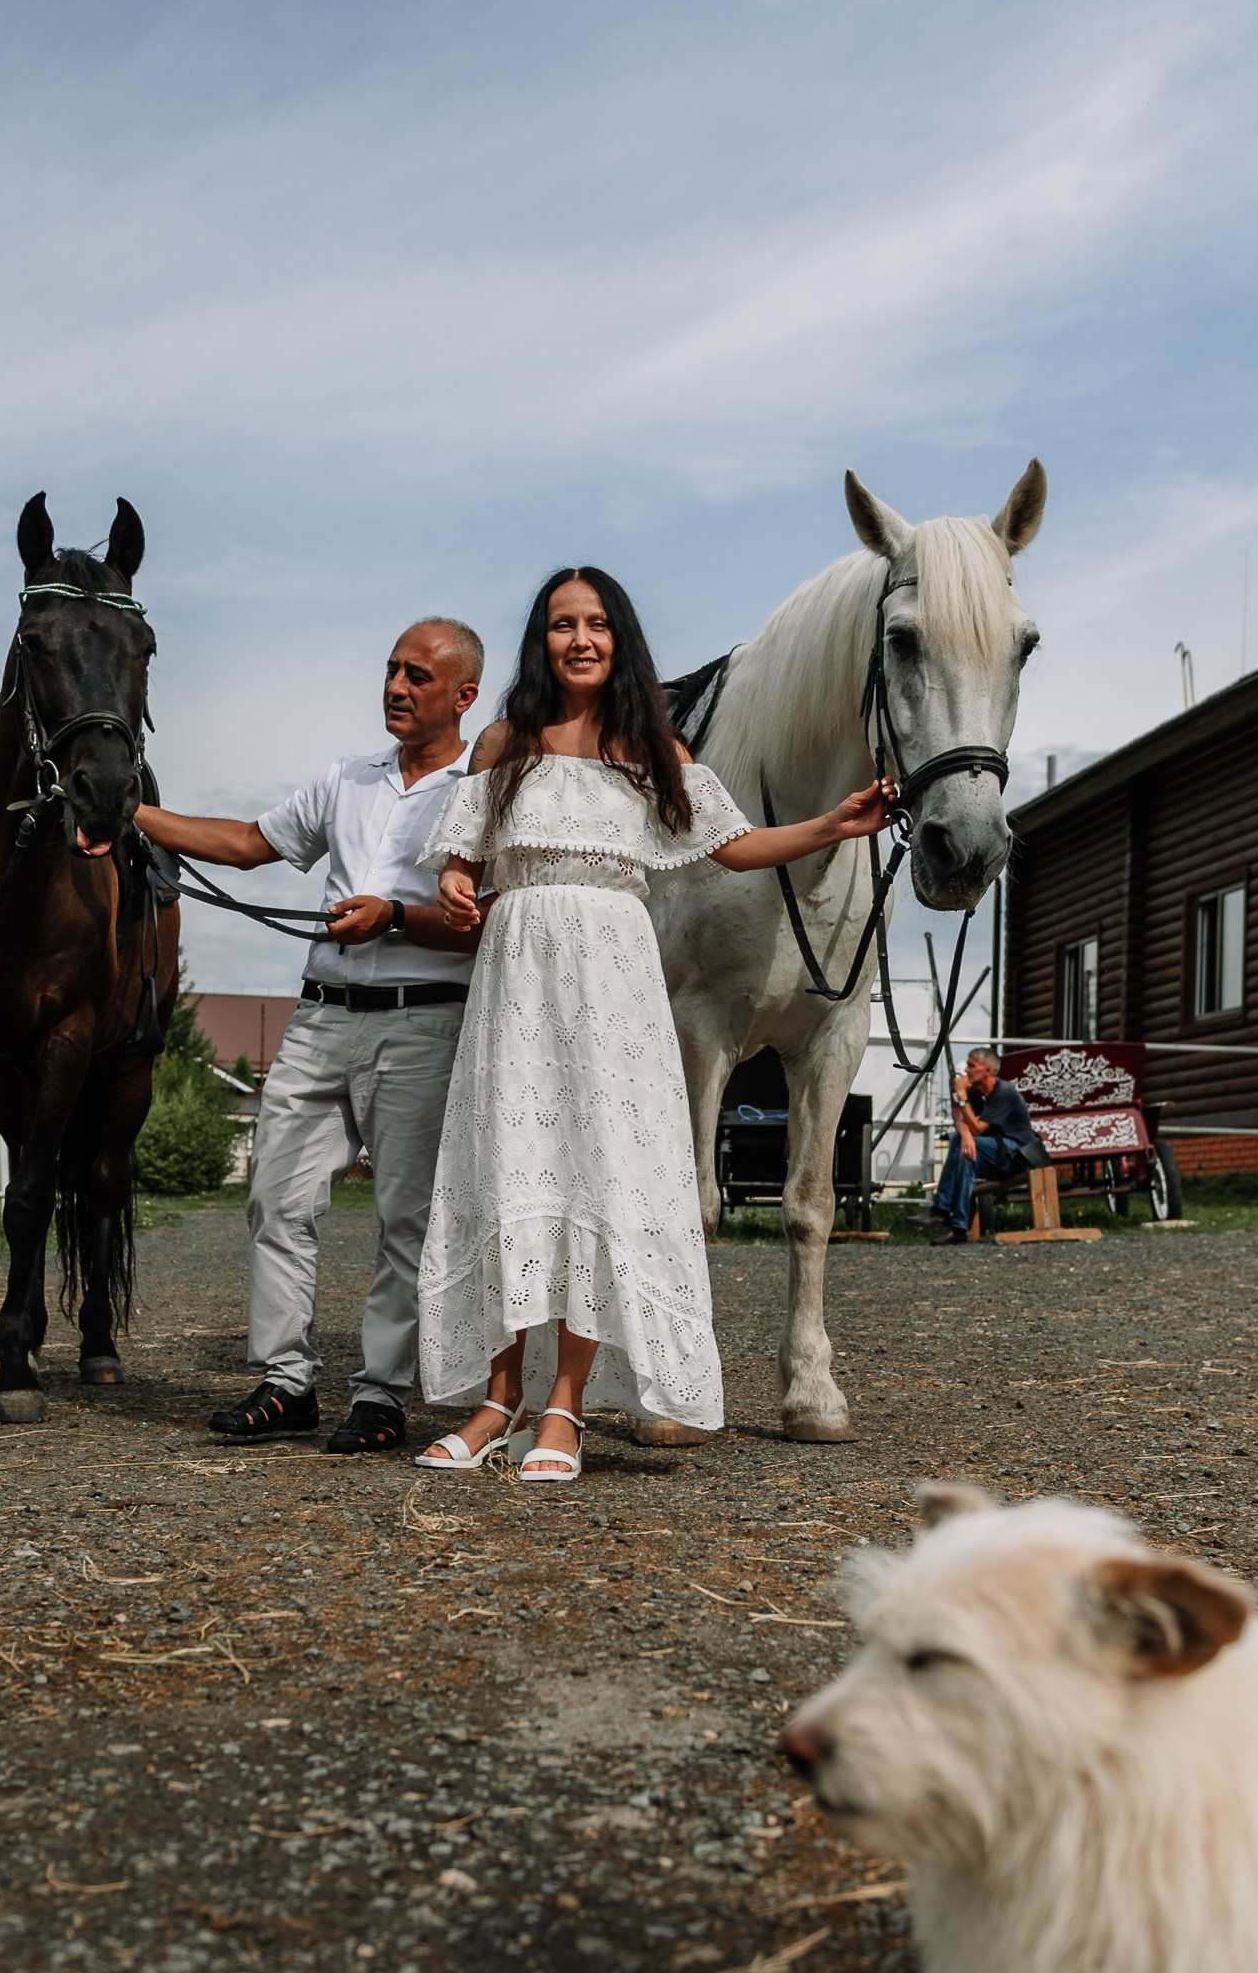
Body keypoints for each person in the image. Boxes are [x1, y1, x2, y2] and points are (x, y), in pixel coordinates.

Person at [411, 567, 892, 1483]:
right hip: (518, 980)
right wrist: (459, 884)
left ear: (620, 639)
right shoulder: (501, 744)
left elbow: (735, 846)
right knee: (511, 1171)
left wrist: (833, 824)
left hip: (613, 982)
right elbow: (462, 861)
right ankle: (495, 1401)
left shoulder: (649, 750)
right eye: (562, 624)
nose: (580, 639)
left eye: (596, 624)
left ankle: (566, 1410)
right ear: (541, 639)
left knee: (600, 1176)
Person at [132, 618, 484, 1453]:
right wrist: (132, 812)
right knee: (276, 1199)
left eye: (418, 677)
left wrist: (396, 915)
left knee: (407, 1219)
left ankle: (381, 1396)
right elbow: (250, 845)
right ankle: (286, 1383)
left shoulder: (483, 791)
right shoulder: (347, 778)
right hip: (320, 1015)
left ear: (464, 696)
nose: (395, 687)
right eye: (391, 670)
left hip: (426, 1022)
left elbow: (489, 924)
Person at [926, 1049, 1047, 1242]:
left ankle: (940, 1209)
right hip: (998, 1153)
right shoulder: (978, 1092)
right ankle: (959, 1228)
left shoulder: (1004, 1092)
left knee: (961, 1143)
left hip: (1018, 1156)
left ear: (988, 1070)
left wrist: (961, 1094)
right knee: (967, 1156)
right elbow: (961, 1119)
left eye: (972, 1066)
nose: (967, 1070)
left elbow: (978, 1128)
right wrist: (965, 1134)